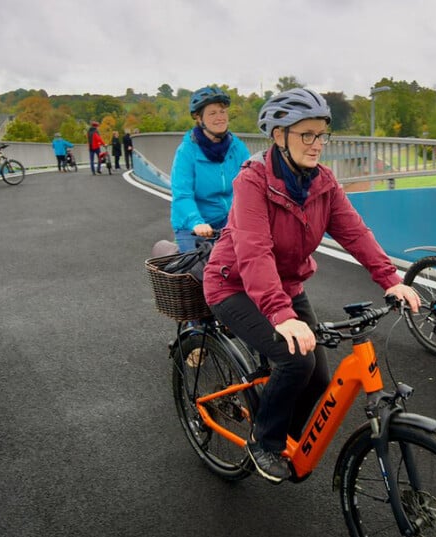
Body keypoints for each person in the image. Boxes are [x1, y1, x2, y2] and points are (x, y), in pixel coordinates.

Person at [202, 88, 420, 483]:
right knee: (295, 361)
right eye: (306, 134)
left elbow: (354, 233)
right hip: (233, 286)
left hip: (286, 286)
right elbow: (254, 251)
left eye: (322, 135)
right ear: (278, 136)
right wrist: (281, 315)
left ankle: (283, 432)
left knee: (318, 376)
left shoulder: (323, 182)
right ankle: (264, 442)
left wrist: (391, 279)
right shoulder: (252, 181)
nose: (317, 144)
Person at [170, 86, 250, 252]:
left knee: (248, 259)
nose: (220, 117)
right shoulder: (187, 151)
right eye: (212, 113)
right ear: (199, 119)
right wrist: (196, 222)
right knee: (197, 265)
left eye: (222, 111)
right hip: (193, 224)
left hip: (228, 221)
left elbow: (251, 184)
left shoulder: (237, 148)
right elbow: (182, 194)